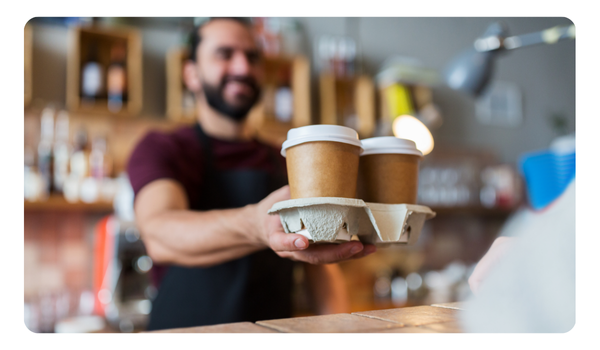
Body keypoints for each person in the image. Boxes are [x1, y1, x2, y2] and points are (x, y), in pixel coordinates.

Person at [127, 17, 376, 331]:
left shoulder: (286, 159)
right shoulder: (164, 148)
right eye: (225, 54)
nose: (243, 68)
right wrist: (256, 224)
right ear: (191, 74)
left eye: (252, 56)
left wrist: (340, 332)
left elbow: (319, 269)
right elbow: (160, 233)